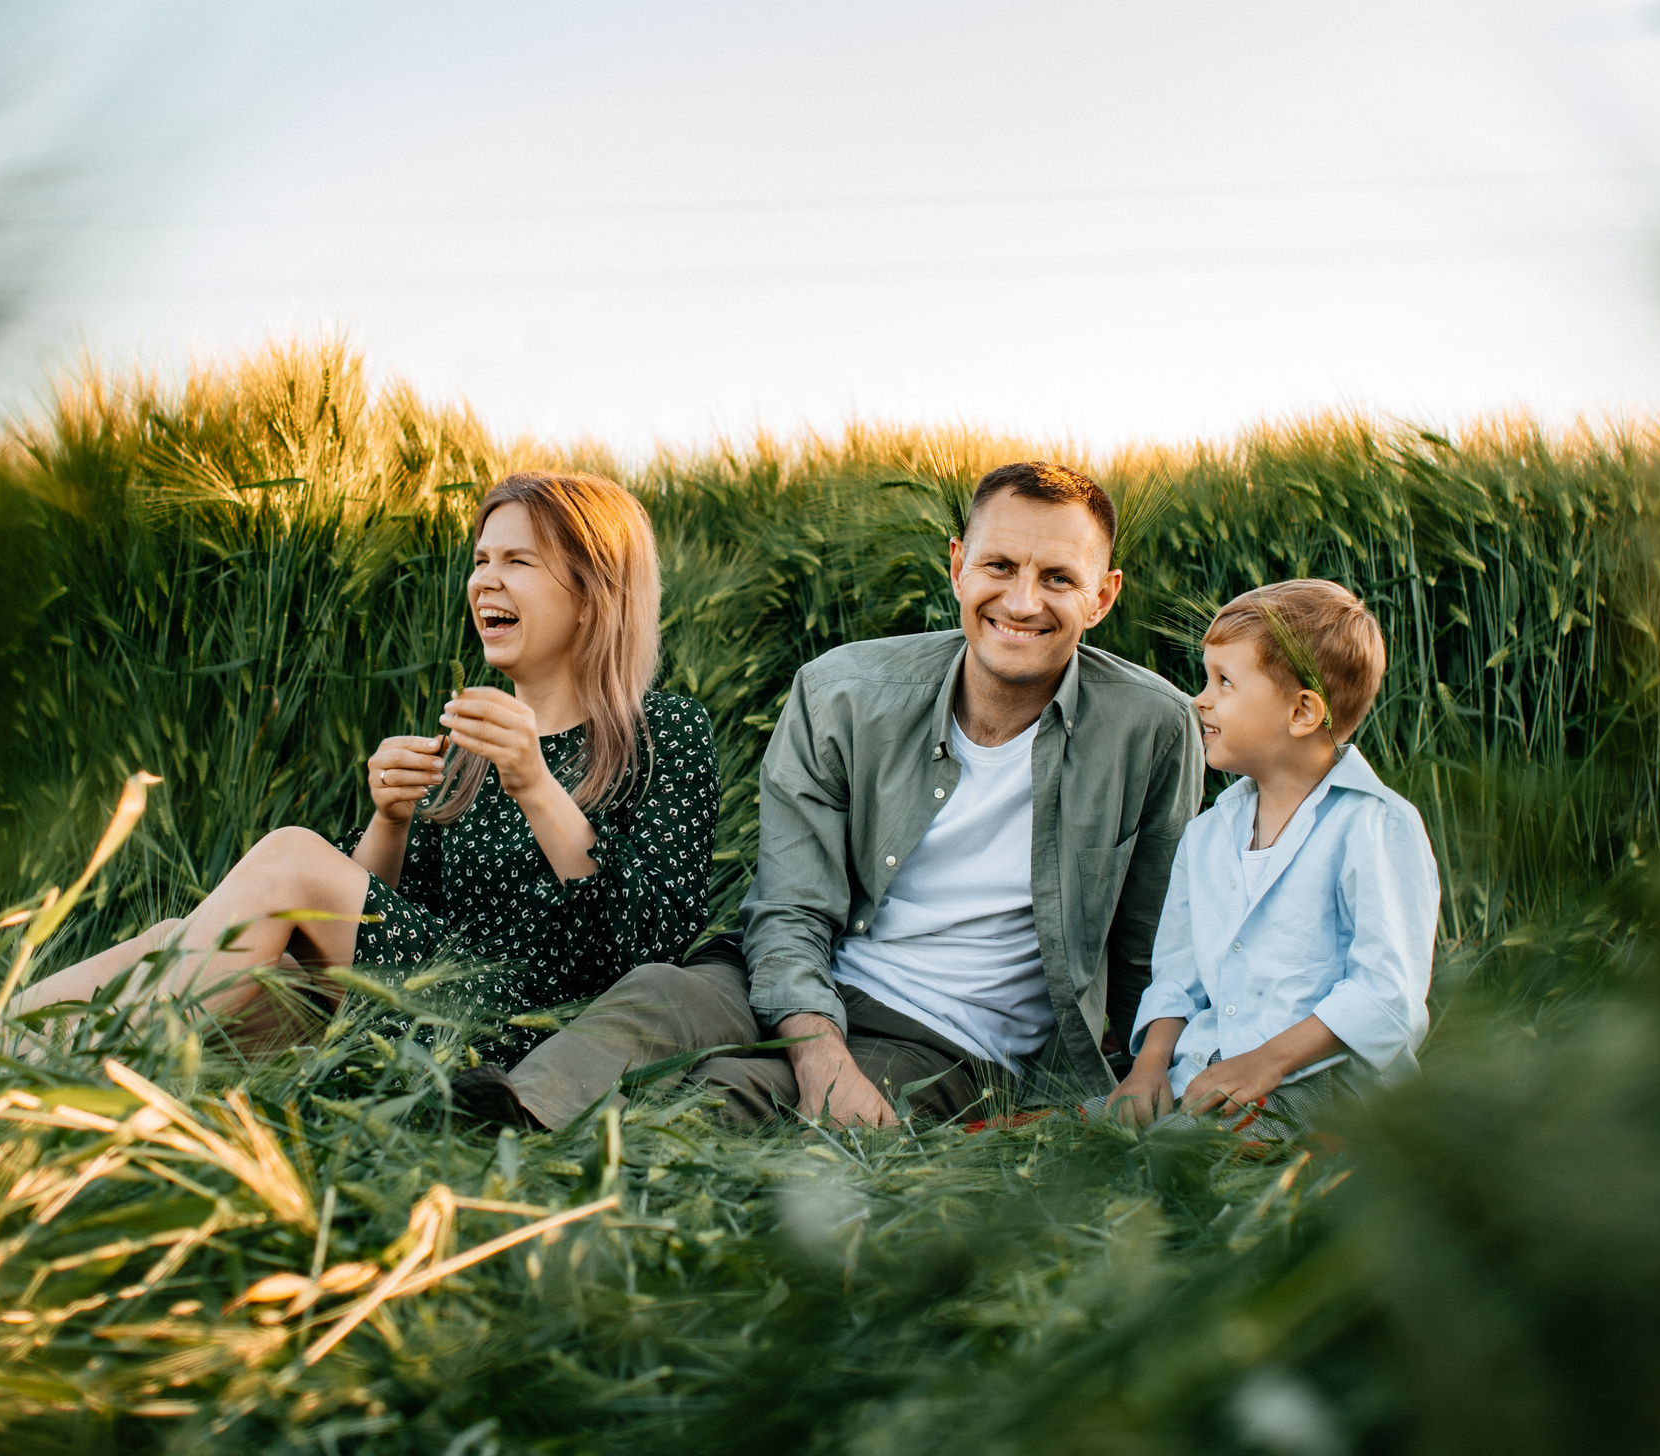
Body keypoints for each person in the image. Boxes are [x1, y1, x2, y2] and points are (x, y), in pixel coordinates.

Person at [464, 461, 1202, 1131]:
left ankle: (584, 1174)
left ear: (1103, 596)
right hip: (796, 973)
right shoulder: (843, 692)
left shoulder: (1150, 728)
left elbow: (1154, 941)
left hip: (944, 1038)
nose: (1021, 600)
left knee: (729, 1090)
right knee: (660, 994)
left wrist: (1141, 1073)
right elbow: (789, 908)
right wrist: (821, 1053)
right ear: (957, 565)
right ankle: (505, 1126)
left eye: (1058, 579)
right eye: (999, 565)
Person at [2, 472, 718, 1058]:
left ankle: (85, 1068)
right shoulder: (467, 749)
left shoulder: (663, 732)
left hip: (540, 1035)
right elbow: (379, 918)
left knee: (288, 858)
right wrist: (391, 818)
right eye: (480, 560)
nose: (484, 581)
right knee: (189, 941)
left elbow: (649, 945)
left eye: (517, 562)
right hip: (425, 1003)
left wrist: (535, 785)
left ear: (593, 595)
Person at [1105, 579, 1438, 1134]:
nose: (1199, 699)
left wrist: (1265, 1063)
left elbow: (1386, 993)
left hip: (1322, 1085)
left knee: (1178, 1160)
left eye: (1224, 682)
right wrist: (1148, 1068)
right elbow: (1176, 980)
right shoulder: (1207, 835)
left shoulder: (1374, 825)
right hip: (1208, 1070)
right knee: (1084, 1136)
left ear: (1303, 712)